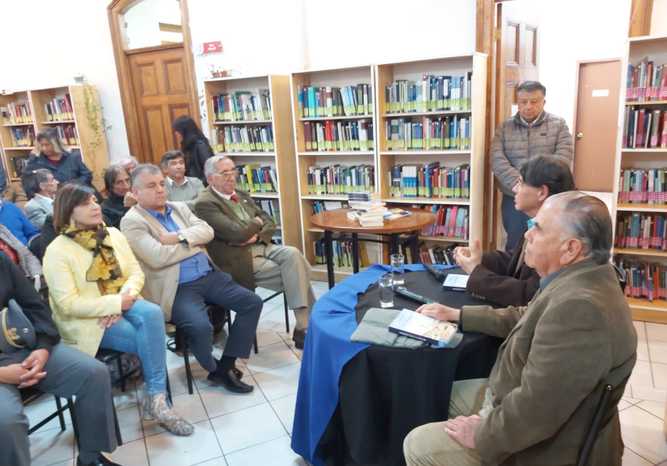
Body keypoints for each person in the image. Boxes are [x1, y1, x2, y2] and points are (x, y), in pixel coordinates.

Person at [403, 192, 637, 466]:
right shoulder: (580, 279)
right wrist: (459, 314)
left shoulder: (580, 310)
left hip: (546, 446)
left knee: (418, 444)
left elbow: (536, 411)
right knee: (429, 391)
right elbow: (527, 316)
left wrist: (482, 434)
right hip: (510, 396)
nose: (527, 236)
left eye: (537, 228)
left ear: (570, 249)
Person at [42, 183, 193, 436]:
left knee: (152, 313)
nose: (94, 206)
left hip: (123, 302)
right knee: (148, 337)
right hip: (88, 321)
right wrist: (113, 305)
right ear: (68, 211)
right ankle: (159, 402)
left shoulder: (112, 234)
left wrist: (123, 298)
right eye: (85, 203)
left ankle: (156, 398)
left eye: (94, 200)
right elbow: (68, 304)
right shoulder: (57, 251)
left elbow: (135, 272)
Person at [120, 164, 263, 393]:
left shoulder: (178, 208)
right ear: (135, 193)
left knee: (252, 303)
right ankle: (212, 367)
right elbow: (157, 257)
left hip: (208, 275)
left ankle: (225, 367)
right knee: (200, 326)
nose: (159, 190)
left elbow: (207, 232)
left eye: (161, 184)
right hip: (177, 287)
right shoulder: (132, 221)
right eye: (151, 186)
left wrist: (178, 237)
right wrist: (194, 245)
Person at [0, 253, 124, 466]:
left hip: (21, 345)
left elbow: (33, 305)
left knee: (94, 374)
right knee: (6, 420)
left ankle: (91, 458)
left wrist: (43, 348)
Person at [195, 155, 314, 349]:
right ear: (210, 179)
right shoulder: (205, 203)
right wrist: (256, 223)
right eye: (224, 173)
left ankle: (304, 327)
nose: (231, 177)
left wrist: (257, 235)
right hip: (237, 259)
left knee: (293, 254)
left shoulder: (240, 194)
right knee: (299, 272)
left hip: (260, 245)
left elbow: (269, 220)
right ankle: (305, 327)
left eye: (233, 170)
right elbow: (237, 233)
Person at [454, 155, 575, 306]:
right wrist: (480, 258)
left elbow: (528, 295)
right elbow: (516, 262)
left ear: (542, 192)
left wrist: (476, 273)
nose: (514, 188)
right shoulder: (538, 222)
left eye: (520, 182)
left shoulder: (556, 237)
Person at [491, 81, 573, 252]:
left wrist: (538, 189)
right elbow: (497, 158)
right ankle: (514, 277)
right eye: (523, 102)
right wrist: (519, 186)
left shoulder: (558, 125)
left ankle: (540, 278)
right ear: (518, 102)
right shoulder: (505, 127)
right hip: (514, 196)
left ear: (544, 101)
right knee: (515, 242)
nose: (528, 106)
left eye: (534, 101)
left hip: (547, 198)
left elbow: (563, 159)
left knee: (546, 243)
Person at [23, 129, 93, 188]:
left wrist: (74, 185)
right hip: (54, 197)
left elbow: (87, 175)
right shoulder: (37, 160)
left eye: (47, 145)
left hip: (76, 192)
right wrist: (32, 159)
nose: (44, 148)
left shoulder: (73, 156)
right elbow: (27, 179)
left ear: (55, 144)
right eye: (42, 145)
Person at [172, 116, 215, 183]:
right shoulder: (187, 146)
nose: (176, 134)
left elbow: (211, 170)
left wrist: (197, 185)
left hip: (201, 187)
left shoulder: (200, 145)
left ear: (184, 131)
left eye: (177, 131)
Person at [101, 164, 136, 229]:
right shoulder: (105, 209)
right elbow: (119, 230)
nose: (126, 186)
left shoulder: (137, 196)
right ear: (110, 187)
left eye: (127, 180)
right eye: (119, 182)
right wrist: (128, 208)